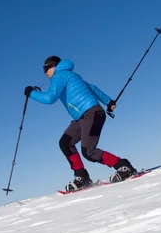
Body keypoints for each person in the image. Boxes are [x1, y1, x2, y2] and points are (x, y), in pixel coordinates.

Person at [24, 56, 138, 191]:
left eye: (45, 68)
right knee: (65, 143)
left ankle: (123, 167)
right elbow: (93, 88)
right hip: (84, 117)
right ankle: (82, 177)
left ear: (54, 66)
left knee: (89, 152)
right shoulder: (71, 75)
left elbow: (49, 98)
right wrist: (109, 102)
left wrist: (31, 93)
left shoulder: (59, 75)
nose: (44, 72)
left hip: (92, 113)